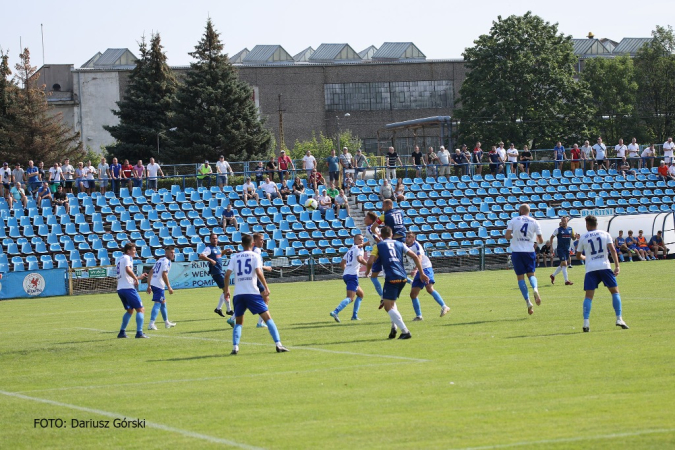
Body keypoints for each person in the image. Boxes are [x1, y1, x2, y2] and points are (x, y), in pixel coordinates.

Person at [225, 234, 288, 354]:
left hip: (238, 294)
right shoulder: (255, 255)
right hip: (252, 292)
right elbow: (258, 272)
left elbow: (227, 275)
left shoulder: (234, 257)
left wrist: (226, 290)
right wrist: (266, 287)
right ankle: (278, 344)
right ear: (252, 244)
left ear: (241, 244)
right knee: (268, 318)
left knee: (239, 322)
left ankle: (235, 347)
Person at [365, 226, 428, 340]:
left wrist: (367, 271)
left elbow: (370, 261)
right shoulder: (400, 244)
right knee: (391, 303)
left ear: (381, 236)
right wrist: (422, 273)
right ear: (392, 234)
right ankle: (394, 327)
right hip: (403, 277)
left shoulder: (378, 245)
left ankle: (405, 331)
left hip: (391, 277)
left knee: (388, 307)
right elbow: (414, 256)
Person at [575, 215, 629, 332]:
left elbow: (578, 255)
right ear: (597, 224)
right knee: (615, 292)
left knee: (589, 296)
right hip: (604, 266)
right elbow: (613, 250)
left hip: (591, 269)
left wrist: (585, 257)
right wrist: (617, 266)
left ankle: (586, 323)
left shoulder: (583, 236)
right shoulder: (605, 234)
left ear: (587, 225)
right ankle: (619, 318)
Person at [505, 204, 543, 315]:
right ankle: (535, 288)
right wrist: (534, 239)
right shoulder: (534, 221)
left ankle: (528, 302)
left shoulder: (514, 220)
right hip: (529, 252)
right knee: (531, 275)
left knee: (520, 278)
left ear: (521, 210)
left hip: (517, 253)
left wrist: (514, 236)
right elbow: (540, 240)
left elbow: (507, 236)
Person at [404, 231, 450, 321]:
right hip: (417, 270)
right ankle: (419, 316)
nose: (407, 238)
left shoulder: (417, 246)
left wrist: (416, 269)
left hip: (425, 267)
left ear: (413, 239)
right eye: (406, 236)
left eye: (409, 237)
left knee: (429, 288)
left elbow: (419, 258)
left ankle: (444, 306)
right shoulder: (404, 246)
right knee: (413, 294)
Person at [330, 233, 368, 322]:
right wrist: (370, 265)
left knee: (361, 294)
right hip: (352, 276)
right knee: (350, 298)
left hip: (347, 275)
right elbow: (360, 259)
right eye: (359, 239)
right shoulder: (358, 249)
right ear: (354, 241)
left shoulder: (350, 250)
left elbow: (342, 263)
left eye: (362, 239)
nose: (361, 241)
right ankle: (335, 311)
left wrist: (346, 270)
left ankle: (354, 316)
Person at [116, 243, 149, 339]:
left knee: (130, 310)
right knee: (141, 309)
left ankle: (122, 332)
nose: (135, 252)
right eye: (133, 250)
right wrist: (135, 278)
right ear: (128, 251)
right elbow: (127, 269)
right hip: (128, 288)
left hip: (120, 289)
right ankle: (139, 333)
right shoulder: (128, 258)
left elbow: (125, 274)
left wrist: (138, 278)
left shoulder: (120, 259)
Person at [200, 232, 234, 318]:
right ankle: (229, 310)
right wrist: (210, 260)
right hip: (216, 272)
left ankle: (218, 309)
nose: (215, 240)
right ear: (210, 239)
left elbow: (219, 255)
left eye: (216, 238)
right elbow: (201, 256)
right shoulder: (209, 248)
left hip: (220, 271)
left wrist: (225, 251)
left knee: (226, 291)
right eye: (213, 238)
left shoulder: (217, 248)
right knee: (227, 291)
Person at [146, 245, 176, 331]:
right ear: (166, 253)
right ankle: (151, 324)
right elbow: (164, 274)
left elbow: (151, 272)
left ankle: (167, 322)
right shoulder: (166, 261)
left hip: (154, 283)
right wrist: (169, 287)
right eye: (171, 252)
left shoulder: (160, 260)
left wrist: (149, 285)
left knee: (163, 303)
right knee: (158, 303)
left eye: (173, 252)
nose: (173, 254)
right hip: (159, 285)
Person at [251, 233, 274, 328]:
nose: (263, 241)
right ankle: (260, 322)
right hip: (256, 278)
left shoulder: (252, 250)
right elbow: (257, 267)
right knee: (265, 297)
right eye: (261, 240)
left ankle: (232, 318)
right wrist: (266, 268)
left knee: (249, 299)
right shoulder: (257, 250)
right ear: (255, 241)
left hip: (252, 278)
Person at [363, 211, 384, 299]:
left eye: (366, 217)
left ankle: (383, 297)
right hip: (380, 249)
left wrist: (380, 252)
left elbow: (378, 239)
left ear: (370, 220)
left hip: (379, 250)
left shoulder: (369, 228)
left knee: (373, 276)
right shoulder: (373, 227)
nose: (364, 219)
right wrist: (363, 244)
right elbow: (373, 240)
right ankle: (410, 282)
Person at [549, 216, 574, 286]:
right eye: (562, 221)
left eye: (564, 221)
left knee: (563, 264)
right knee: (565, 263)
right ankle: (566, 281)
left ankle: (553, 275)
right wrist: (551, 247)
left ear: (567, 221)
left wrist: (575, 237)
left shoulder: (570, 229)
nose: (563, 222)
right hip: (560, 249)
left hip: (567, 249)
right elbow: (551, 237)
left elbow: (573, 238)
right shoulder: (558, 230)